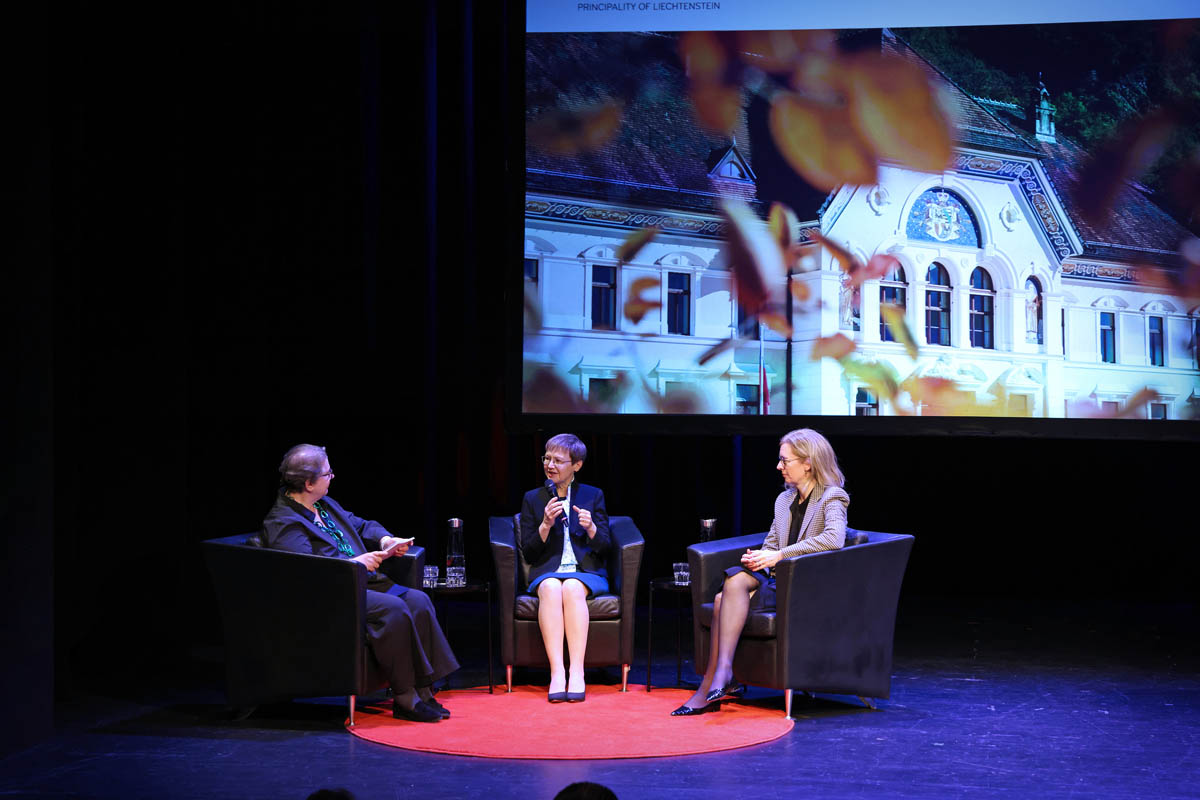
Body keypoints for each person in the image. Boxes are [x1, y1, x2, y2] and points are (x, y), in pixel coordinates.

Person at [262, 444, 459, 723]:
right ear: (308, 483)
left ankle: (424, 690)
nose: (332, 477)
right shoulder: (284, 522)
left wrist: (386, 540)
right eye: (328, 473)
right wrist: (355, 563)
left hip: (361, 584)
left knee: (418, 600)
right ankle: (405, 698)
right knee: (394, 609)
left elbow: (362, 525)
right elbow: (306, 572)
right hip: (334, 594)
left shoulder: (323, 504)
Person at [672, 428, 849, 716]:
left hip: (805, 583)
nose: (779, 467)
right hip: (776, 578)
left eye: (785, 460)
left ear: (808, 462)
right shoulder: (784, 500)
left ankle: (714, 683)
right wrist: (759, 557)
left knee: (720, 601)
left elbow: (833, 539)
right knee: (735, 577)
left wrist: (778, 555)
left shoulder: (832, 497)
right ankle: (720, 676)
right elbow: (771, 542)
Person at [519, 433, 611, 703]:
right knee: (550, 586)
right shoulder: (533, 499)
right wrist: (545, 525)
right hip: (547, 571)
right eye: (547, 458)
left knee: (571, 586)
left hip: (586, 573)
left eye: (558, 460)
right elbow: (530, 552)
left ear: (576, 465)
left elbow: (605, 547)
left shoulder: (593, 496)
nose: (550, 465)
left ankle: (577, 672)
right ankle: (557, 672)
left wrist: (591, 528)